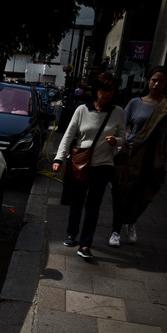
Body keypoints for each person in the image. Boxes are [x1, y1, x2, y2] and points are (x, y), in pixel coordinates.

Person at [52, 72, 126, 259]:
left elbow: (124, 137)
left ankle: (85, 244)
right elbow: (68, 135)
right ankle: (71, 233)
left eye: (111, 90)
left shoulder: (118, 112)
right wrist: (59, 159)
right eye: (104, 90)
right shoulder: (82, 110)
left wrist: (115, 140)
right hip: (80, 164)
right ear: (96, 91)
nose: (107, 94)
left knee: (93, 206)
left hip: (103, 166)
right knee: (76, 202)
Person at [109, 66, 167, 247]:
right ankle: (115, 230)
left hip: (153, 158)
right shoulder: (135, 103)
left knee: (144, 195)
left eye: (161, 81)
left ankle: (131, 222)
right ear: (148, 81)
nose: (157, 84)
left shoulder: (165, 106)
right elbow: (121, 127)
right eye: (154, 80)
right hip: (132, 154)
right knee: (121, 192)